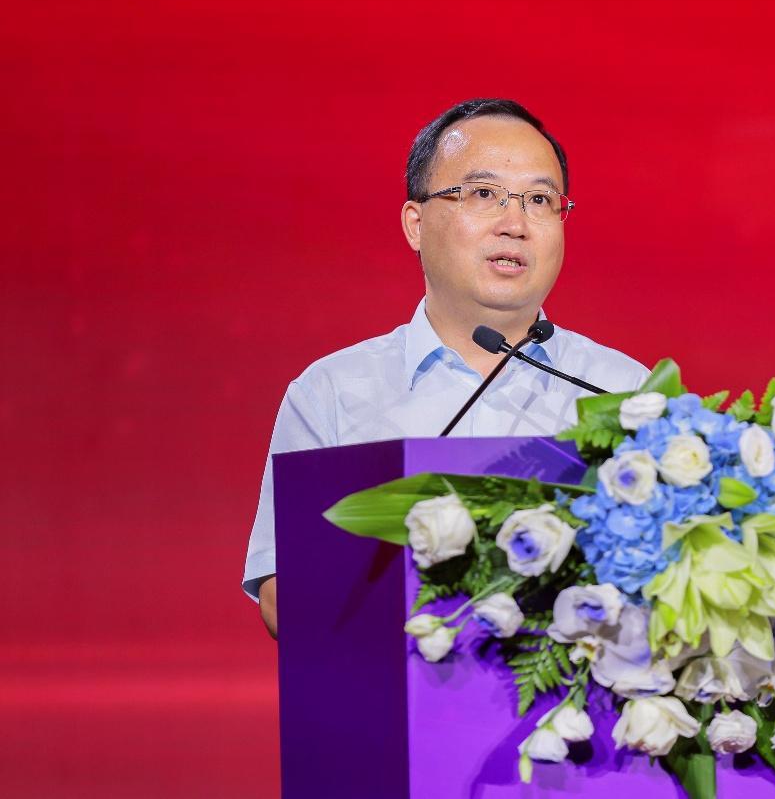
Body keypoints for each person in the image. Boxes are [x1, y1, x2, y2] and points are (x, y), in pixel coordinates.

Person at [243, 99, 650, 638]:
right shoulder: (333, 393)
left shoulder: (624, 392)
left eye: (539, 200)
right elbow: (283, 592)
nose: (515, 224)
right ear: (416, 224)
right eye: (483, 194)